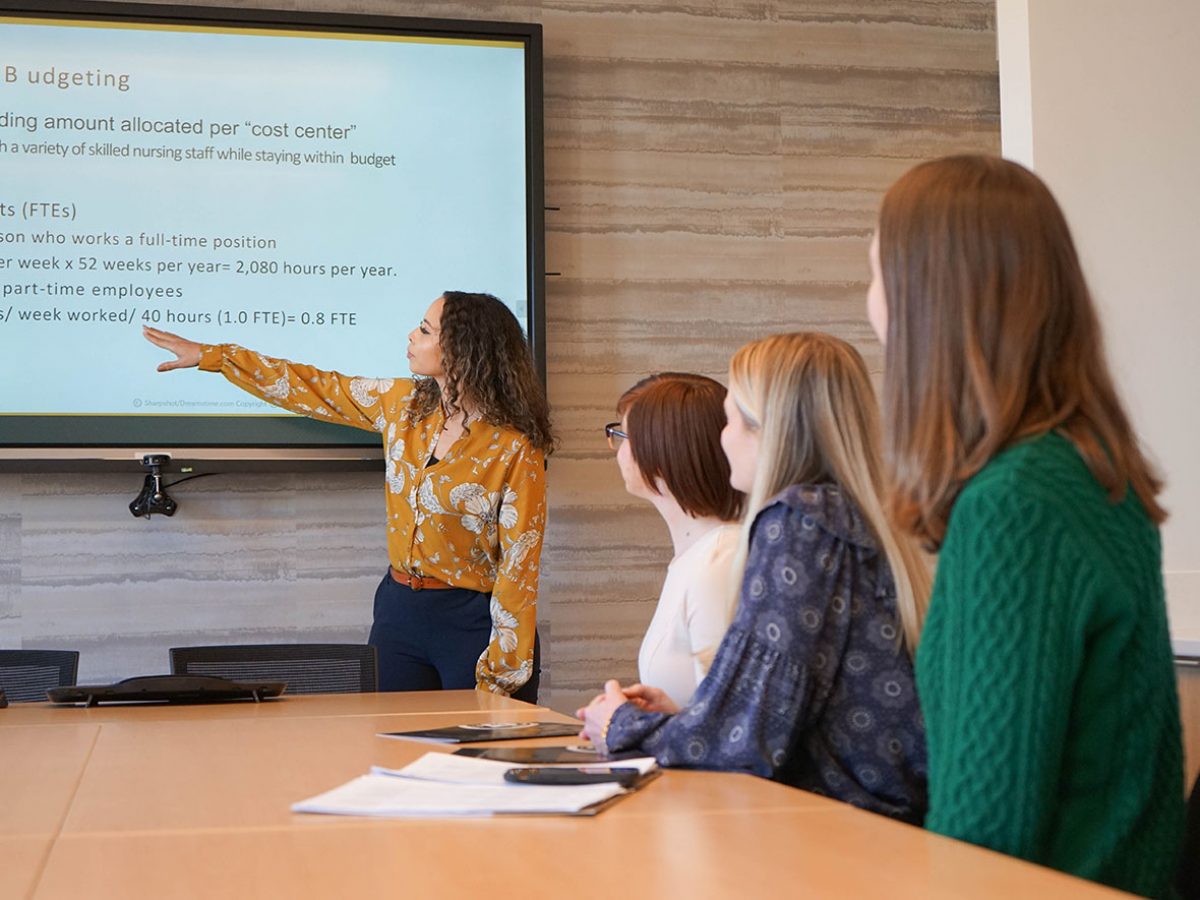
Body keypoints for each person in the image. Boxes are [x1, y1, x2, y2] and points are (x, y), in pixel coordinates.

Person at [868, 154, 1183, 895]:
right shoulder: (1090, 469)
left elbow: (983, 843)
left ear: (931, 299)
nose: (871, 306)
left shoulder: (1015, 506)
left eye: (878, 276)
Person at [578, 332, 932, 823]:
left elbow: (751, 742)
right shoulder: (848, 518)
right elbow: (771, 719)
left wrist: (621, 724)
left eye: (731, 420)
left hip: (846, 830)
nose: (722, 441)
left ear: (771, 430)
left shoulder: (799, 523)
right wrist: (683, 718)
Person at [143, 291, 554, 701]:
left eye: (426, 330)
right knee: (393, 751)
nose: (412, 335)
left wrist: (503, 672)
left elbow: (519, 568)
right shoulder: (404, 404)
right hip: (399, 611)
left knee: (477, 758)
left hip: (471, 621)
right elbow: (311, 387)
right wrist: (215, 357)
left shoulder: (515, 447)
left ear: (462, 350)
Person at [606, 373, 744, 707]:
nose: (618, 450)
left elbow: (727, 726)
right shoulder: (699, 556)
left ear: (663, 450)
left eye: (622, 435)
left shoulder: (719, 561)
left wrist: (623, 724)